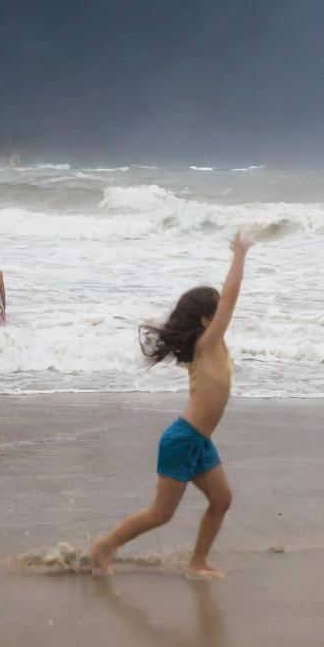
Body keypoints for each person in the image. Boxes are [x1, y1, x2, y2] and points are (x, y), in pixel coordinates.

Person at [90, 233, 252, 578]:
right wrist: (240, 254)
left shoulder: (213, 344)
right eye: (218, 309)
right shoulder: (208, 344)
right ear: (208, 321)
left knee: (221, 501)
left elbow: (226, 303)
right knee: (161, 514)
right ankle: (103, 548)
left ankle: (197, 563)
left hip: (199, 441)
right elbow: (233, 296)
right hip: (183, 439)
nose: (225, 311)